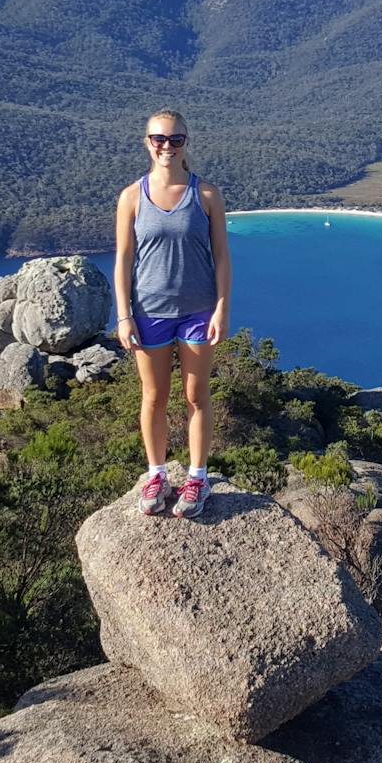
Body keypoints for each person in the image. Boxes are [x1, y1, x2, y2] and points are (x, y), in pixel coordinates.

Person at [113, 108, 232, 518]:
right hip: (149, 311)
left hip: (198, 311)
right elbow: (123, 260)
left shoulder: (207, 195)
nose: (167, 146)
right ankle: (157, 474)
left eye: (175, 139)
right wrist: (124, 315)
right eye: (159, 139)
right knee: (154, 396)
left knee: (196, 396)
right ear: (147, 142)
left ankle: (197, 477)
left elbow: (222, 258)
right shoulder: (131, 197)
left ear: (186, 143)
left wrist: (221, 309)